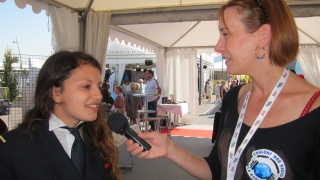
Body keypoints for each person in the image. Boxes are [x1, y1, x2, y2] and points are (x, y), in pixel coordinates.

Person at [126, 0, 320, 179]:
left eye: (225, 34)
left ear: (262, 36)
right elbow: (218, 169)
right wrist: (170, 149)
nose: (218, 47)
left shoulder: (314, 110)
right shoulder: (235, 98)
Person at [0, 51, 119, 179]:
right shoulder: (12, 148)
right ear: (56, 93)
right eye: (86, 86)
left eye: (99, 86)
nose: (99, 95)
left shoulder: (100, 137)